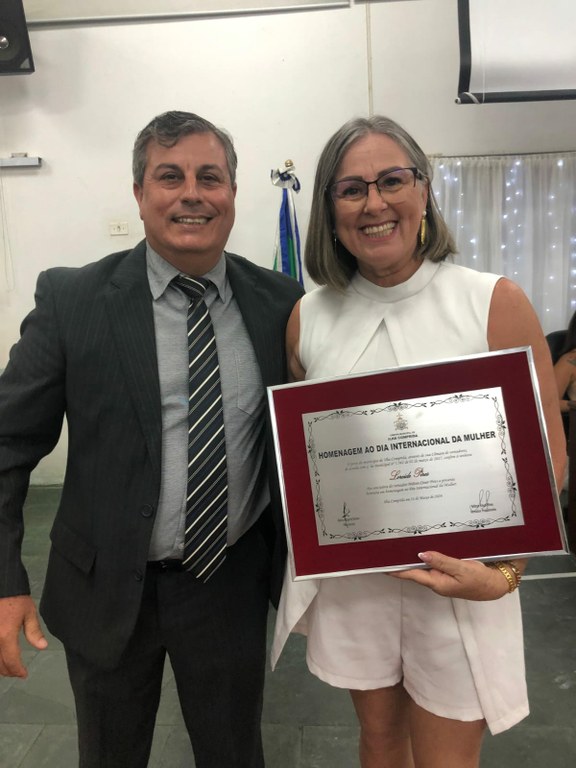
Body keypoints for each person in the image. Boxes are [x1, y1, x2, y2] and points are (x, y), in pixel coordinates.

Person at [0, 110, 304, 768]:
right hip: (106, 584)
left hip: (227, 583)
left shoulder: (280, 303)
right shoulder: (73, 300)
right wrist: (4, 581)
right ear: (139, 194)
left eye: (210, 177)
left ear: (232, 193)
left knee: (234, 754)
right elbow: (6, 445)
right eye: (170, 177)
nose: (192, 194)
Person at [271, 115, 566, 768]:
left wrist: (505, 573)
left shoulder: (492, 301)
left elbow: (548, 456)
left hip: (462, 581)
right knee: (378, 742)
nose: (374, 203)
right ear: (330, 209)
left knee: (446, 759)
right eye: (351, 189)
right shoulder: (308, 317)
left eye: (392, 180)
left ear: (424, 191)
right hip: (357, 584)